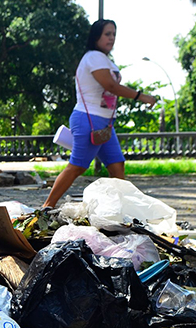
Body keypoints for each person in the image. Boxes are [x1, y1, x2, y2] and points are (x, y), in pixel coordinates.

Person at [43, 19, 157, 209]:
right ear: (96, 36)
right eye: (107, 34)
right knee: (78, 166)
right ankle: (47, 206)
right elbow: (110, 85)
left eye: (114, 34)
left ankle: (122, 209)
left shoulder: (104, 59)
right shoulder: (93, 57)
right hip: (89, 119)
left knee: (117, 165)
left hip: (104, 124)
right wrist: (141, 96)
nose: (111, 38)